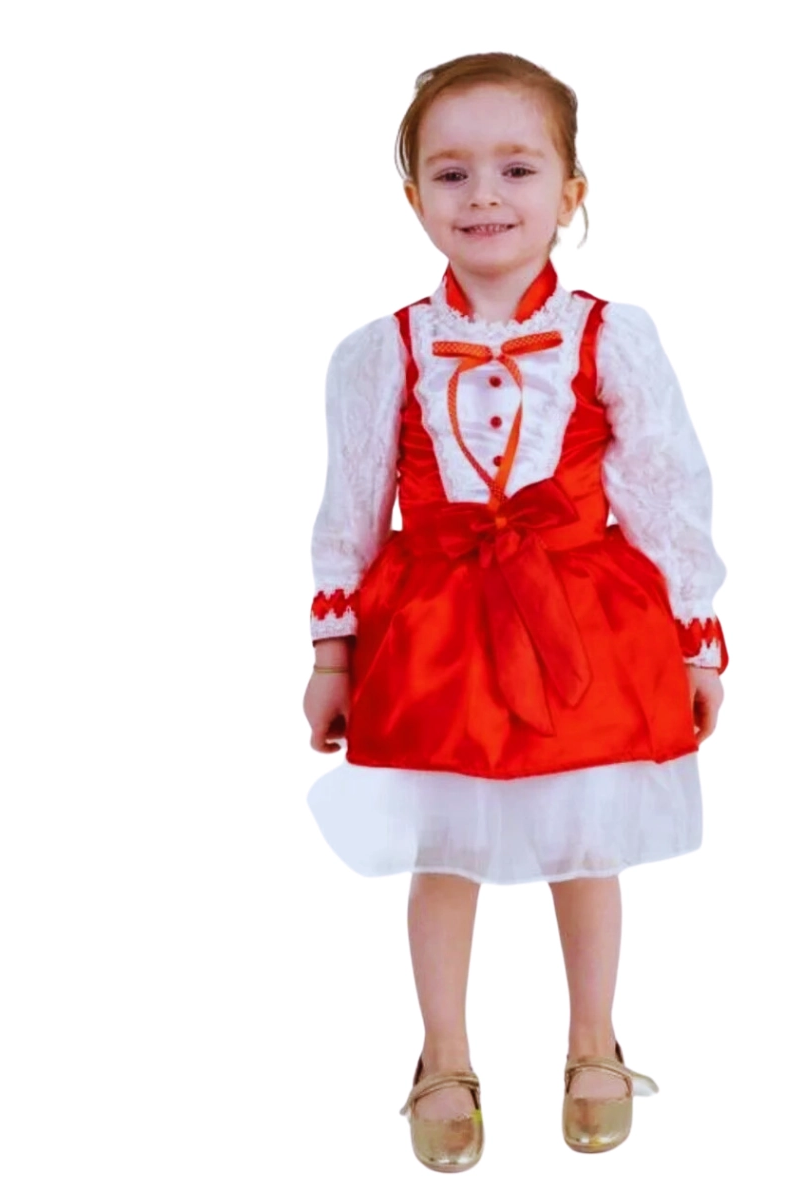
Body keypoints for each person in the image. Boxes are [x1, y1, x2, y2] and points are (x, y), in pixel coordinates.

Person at [302, 52, 729, 1172]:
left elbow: (665, 489)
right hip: (435, 633)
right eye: (451, 173)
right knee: (442, 847)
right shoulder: (384, 351)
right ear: (414, 198)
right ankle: (443, 1051)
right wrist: (334, 653)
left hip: (580, 623)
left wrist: (697, 641)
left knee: (586, 840)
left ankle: (594, 1040)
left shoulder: (611, 335)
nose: (484, 195)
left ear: (571, 192)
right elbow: (352, 504)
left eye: (517, 169)